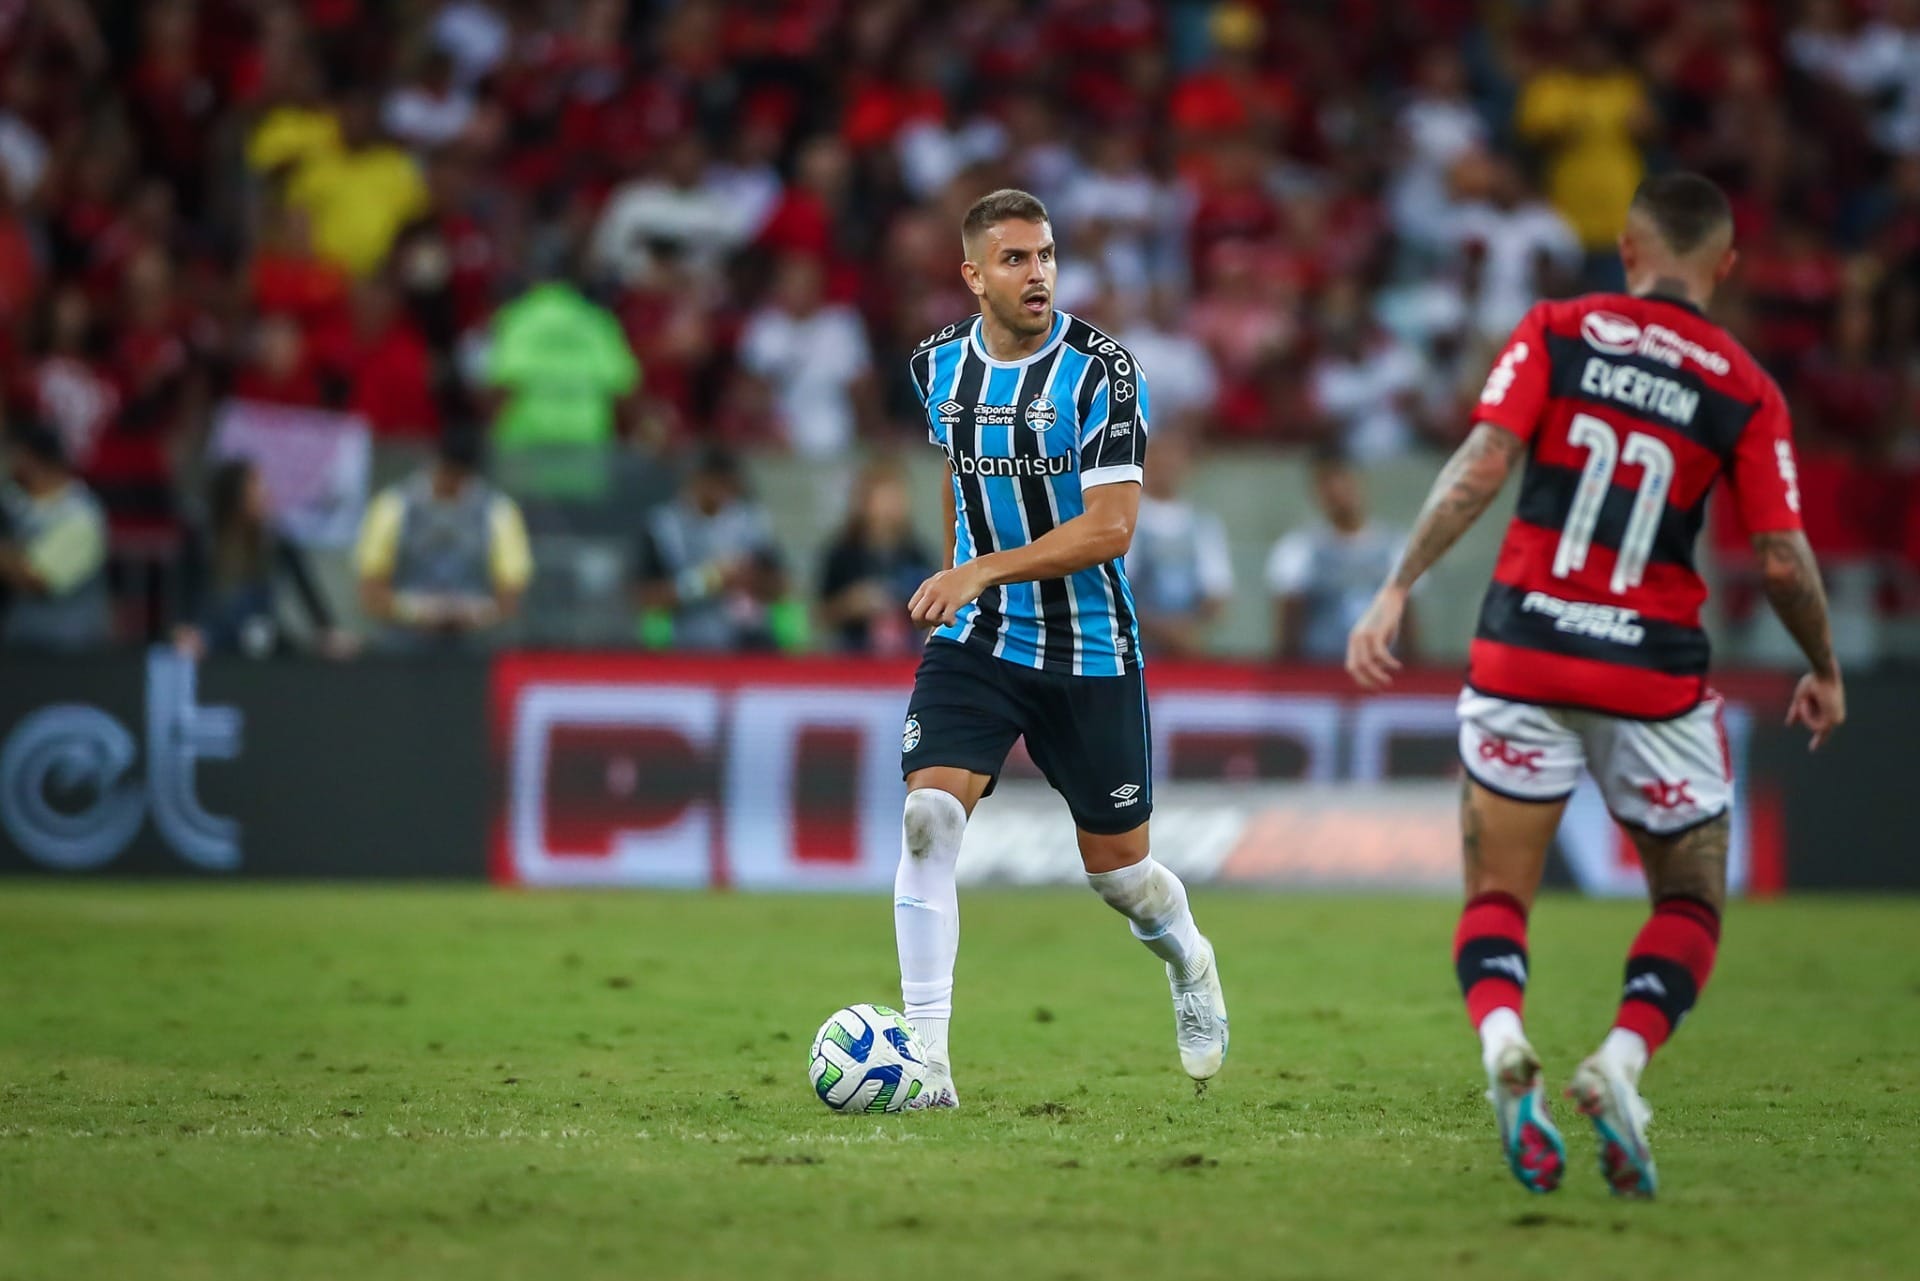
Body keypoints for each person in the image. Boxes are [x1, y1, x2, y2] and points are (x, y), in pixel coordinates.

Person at [1346, 174, 1846, 1199]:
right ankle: (1620, 1061)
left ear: (1627, 248)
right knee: (1690, 895)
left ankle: (1501, 1042)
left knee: (1496, 895)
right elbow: (1785, 562)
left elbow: (1483, 465)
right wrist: (1825, 667)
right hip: (1651, 675)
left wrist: (1398, 584)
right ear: (1728, 266)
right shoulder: (1745, 386)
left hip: (1523, 649)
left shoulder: (1558, 328)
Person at [892, 189, 1228, 1111]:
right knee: (928, 821)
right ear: (972, 275)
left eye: (1045, 255)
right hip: (981, 639)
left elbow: (1113, 530)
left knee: (1121, 877)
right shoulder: (935, 365)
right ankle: (927, 1063)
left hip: (1089, 648)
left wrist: (981, 567)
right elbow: (961, 480)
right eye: (1014, 259)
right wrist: (967, 574)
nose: (1037, 272)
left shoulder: (1103, 373)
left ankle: (1191, 958)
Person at [354, 427, 532, 651]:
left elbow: (511, 596)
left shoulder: (498, 511)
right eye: (447, 474)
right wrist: (416, 610)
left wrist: (475, 613)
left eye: (460, 477)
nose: (452, 484)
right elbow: (370, 591)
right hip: (401, 649)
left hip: (475, 650)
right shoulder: (393, 507)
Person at [174, 458, 353, 659]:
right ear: (234, 494)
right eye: (254, 485)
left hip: (261, 636)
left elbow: (306, 588)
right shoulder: (204, 541)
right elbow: (183, 592)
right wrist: (183, 628)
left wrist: (327, 630)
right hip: (213, 640)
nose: (264, 492)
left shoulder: (274, 542)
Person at [1268, 446, 1415, 664]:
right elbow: (1289, 628)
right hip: (1320, 672)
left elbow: (1409, 620)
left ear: (1360, 481)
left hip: (1382, 673)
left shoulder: (1396, 546)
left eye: (1343, 478)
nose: (1337, 490)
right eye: (1326, 483)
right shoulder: (1298, 549)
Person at [631, 447, 787, 652]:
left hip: (749, 641)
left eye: (729, 485)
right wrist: (705, 581)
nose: (723, 494)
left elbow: (782, 586)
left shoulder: (751, 522)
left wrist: (750, 579)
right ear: (696, 480)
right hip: (689, 645)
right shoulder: (664, 527)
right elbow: (646, 598)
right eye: (715, 483)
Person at [0, 419, 110, 651]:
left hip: (69, 650)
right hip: (18, 643)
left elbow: (38, 577)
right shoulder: (14, 502)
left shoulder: (81, 515)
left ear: (30, 460)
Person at [1124, 429, 1233, 658]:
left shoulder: (1204, 526)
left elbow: (1217, 594)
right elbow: (1117, 590)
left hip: (1184, 651)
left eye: (1174, 457)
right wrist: (1161, 629)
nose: (1166, 465)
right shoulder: (1125, 521)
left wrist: (1186, 629)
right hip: (1134, 649)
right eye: (1158, 456)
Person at [817, 459, 936, 655]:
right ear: (865, 501)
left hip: (905, 656)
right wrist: (851, 603)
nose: (892, 505)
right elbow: (821, 615)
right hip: (854, 655)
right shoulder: (843, 554)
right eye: (885, 497)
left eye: (898, 496)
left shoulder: (916, 553)